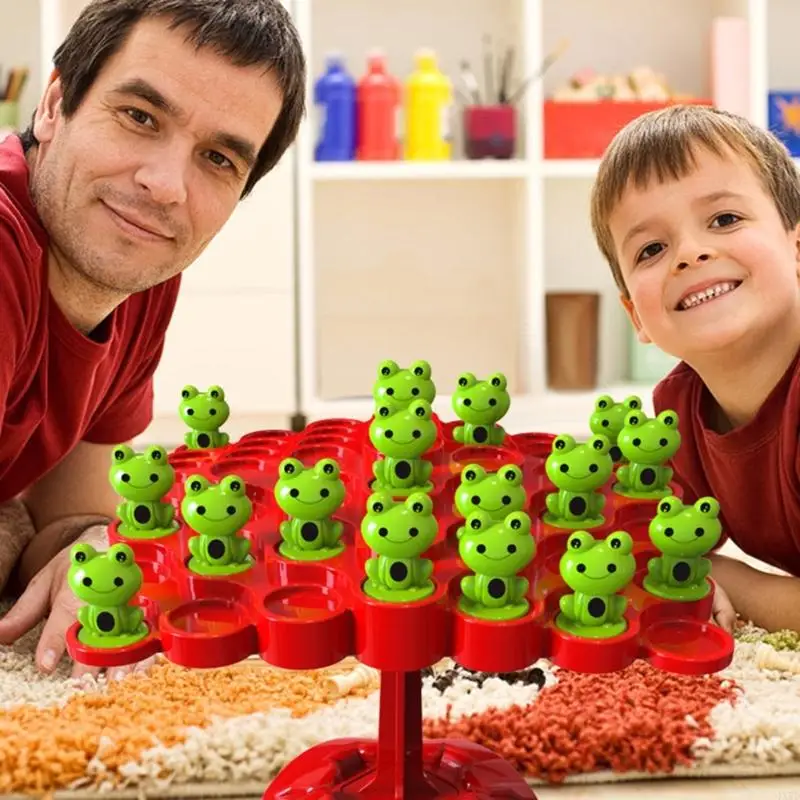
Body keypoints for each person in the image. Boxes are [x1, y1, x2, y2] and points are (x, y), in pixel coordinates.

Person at [0, 0, 306, 677]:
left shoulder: (134, 278)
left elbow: (72, 513)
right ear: (54, 104)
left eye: (219, 158)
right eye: (139, 117)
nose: (165, 186)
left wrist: (91, 545)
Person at [590, 103, 800, 634]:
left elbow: (704, 564)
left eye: (724, 219)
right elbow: (654, 542)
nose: (690, 253)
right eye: (652, 249)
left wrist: (726, 574)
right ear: (636, 315)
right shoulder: (678, 410)